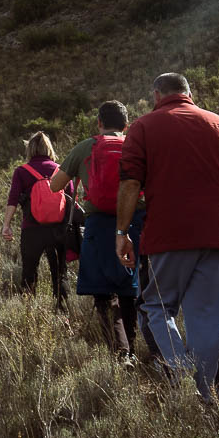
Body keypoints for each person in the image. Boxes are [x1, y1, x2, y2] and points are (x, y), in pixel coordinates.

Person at [116, 73, 219, 401]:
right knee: (208, 321)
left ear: (156, 95)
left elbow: (130, 183)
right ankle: (205, 399)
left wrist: (122, 233)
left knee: (154, 307)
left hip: (168, 238)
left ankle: (180, 374)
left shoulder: (143, 127)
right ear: (189, 93)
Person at [51, 101, 146, 364]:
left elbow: (55, 186)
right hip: (135, 223)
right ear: (126, 125)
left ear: (99, 123)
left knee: (104, 292)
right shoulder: (137, 147)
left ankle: (120, 353)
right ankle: (133, 349)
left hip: (99, 225)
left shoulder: (85, 147)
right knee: (130, 289)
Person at [2, 131, 77, 310]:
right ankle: (62, 314)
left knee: (29, 274)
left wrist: (6, 225)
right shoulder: (61, 169)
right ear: (49, 148)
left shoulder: (22, 171)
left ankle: (29, 314)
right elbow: (71, 199)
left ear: (30, 149)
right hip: (58, 231)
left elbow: (13, 199)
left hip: (32, 230)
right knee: (60, 275)